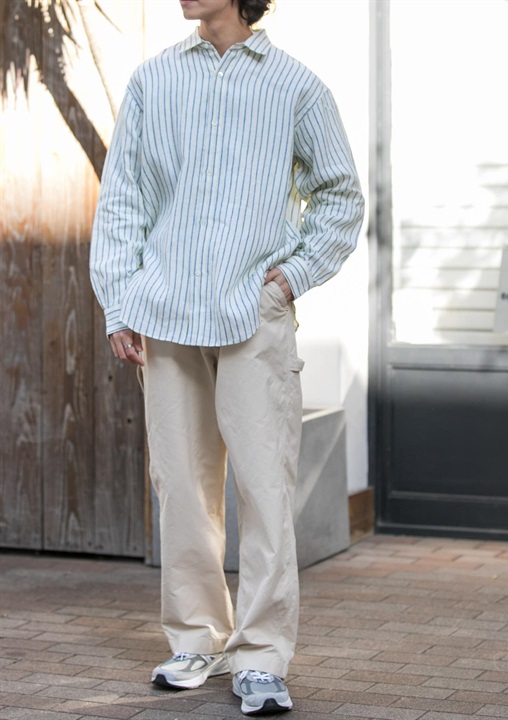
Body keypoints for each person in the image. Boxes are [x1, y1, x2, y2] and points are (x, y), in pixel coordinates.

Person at [89, 0, 364, 715]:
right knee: (181, 484)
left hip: (253, 318)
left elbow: (340, 195)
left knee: (265, 488)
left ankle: (262, 654)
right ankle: (196, 638)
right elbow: (122, 199)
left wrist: (292, 278)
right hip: (166, 313)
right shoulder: (153, 81)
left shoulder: (295, 86)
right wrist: (120, 301)